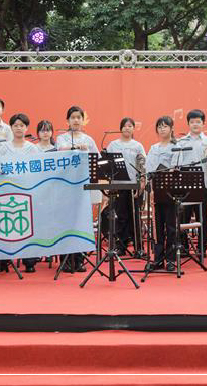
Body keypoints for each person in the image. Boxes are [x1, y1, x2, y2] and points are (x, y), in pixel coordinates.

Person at [56, 105, 99, 272]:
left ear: (83, 120)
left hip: (83, 187)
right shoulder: (62, 138)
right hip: (65, 187)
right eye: (72, 117)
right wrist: (75, 148)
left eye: (78, 117)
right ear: (67, 120)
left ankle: (80, 259)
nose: (76, 120)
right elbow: (60, 151)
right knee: (66, 222)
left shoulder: (89, 139)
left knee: (82, 222)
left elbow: (98, 160)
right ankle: (65, 260)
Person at [176, 109, 207, 256]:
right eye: (192, 122)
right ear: (188, 124)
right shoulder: (181, 142)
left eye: (198, 122)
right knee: (184, 217)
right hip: (185, 185)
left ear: (203, 124)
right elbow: (177, 164)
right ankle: (184, 247)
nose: (195, 124)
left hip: (203, 184)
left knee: (202, 217)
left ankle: (202, 247)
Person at [3, 113, 41, 272]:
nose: (19, 128)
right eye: (15, 125)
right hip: (6, 191)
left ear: (26, 128)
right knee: (5, 224)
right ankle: (3, 261)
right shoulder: (3, 147)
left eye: (22, 125)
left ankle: (29, 261)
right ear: (11, 128)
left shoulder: (33, 148)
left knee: (27, 226)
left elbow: (37, 170)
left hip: (27, 191)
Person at [104, 117, 146, 256]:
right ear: (120, 128)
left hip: (134, 185)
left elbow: (142, 165)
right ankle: (121, 246)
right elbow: (107, 165)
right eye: (125, 126)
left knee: (135, 217)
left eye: (130, 126)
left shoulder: (137, 146)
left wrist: (142, 182)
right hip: (118, 185)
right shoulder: (113, 145)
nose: (127, 128)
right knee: (121, 216)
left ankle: (138, 247)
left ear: (133, 129)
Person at [144, 115, 178, 272]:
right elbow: (149, 168)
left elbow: (175, 167)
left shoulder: (176, 147)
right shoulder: (153, 148)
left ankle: (171, 260)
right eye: (159, 126)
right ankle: (158, 259)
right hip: (156, 190)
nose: (162, 129)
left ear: (172, 128)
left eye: (165, 126)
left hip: (171, 191)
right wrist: (150, 187)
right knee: (157, 227)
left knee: (171, 227)